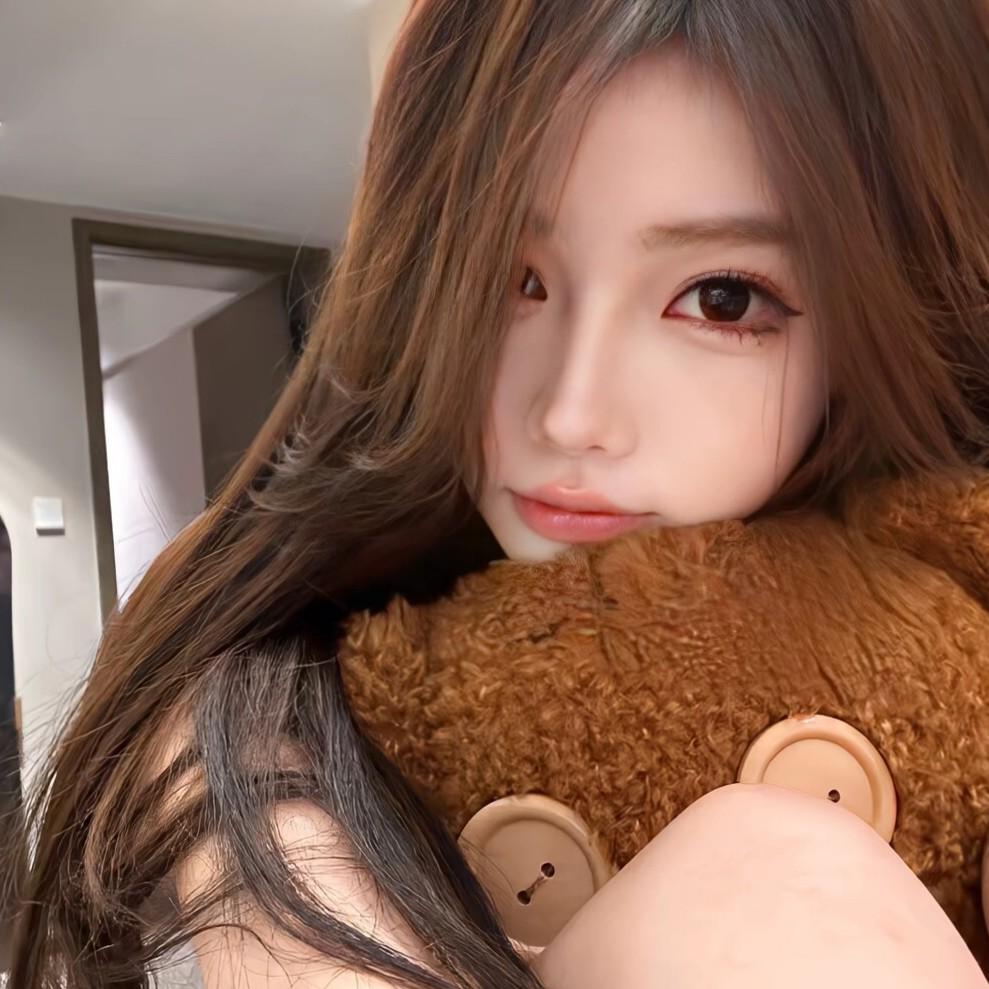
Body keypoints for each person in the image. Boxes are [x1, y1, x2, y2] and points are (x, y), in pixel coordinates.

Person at [6, 1, 989, 987]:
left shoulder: (944, 620)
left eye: (720, 297)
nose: (569, 411)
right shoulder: (258, 696)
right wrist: (263, 834)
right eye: (510, 279)